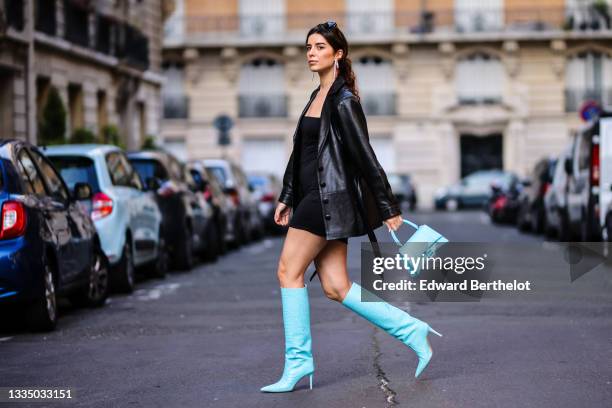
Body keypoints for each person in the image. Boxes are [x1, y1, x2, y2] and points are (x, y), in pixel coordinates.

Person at [260, 21, 443, 393]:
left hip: (326, 200)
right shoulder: (316, 96)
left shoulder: (344, 101)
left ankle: (298, 362)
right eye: (308, 46)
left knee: (287, 273)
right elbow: (303, 154)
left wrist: (388, 207)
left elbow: (366, 158)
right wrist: (286, 195)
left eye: (319, 47)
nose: (311, 52)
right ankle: (413, 330)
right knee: (336, 286)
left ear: (338, 54)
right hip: (313, 196)